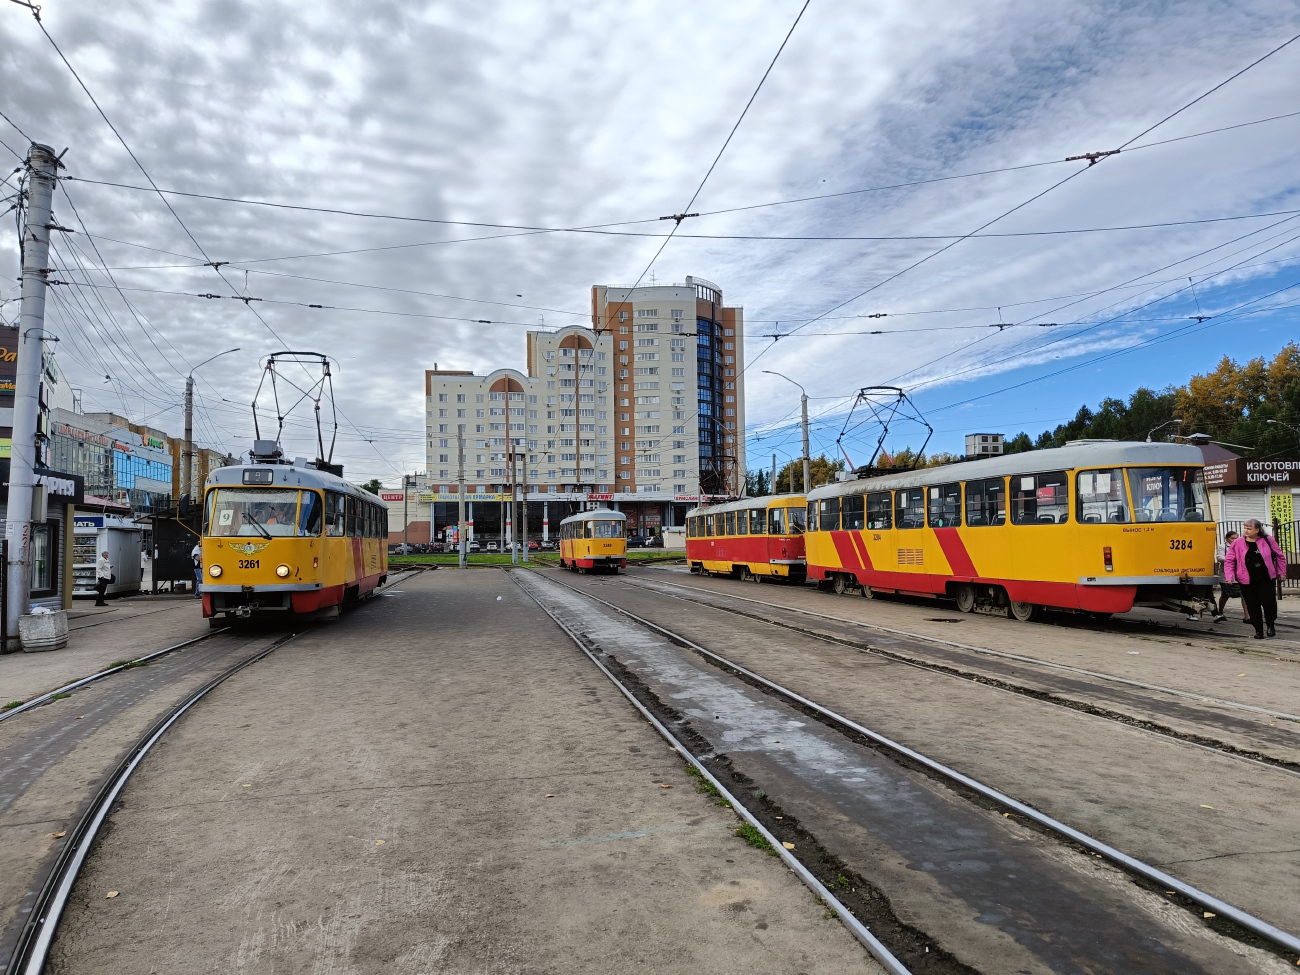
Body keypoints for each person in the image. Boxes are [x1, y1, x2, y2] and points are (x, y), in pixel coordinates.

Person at [1223, 519, 1287, 639]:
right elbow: (1229, 560)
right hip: (1246, 580)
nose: (1246, 531)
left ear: (1257, 530)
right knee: (1252, 605)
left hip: (1266, 578)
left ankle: (1270, 625)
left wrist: (1282, 572)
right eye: (1245, 528)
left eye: (1249, 528)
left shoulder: (1267, 540)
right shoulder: (1238, 543)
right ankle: (1258, 630)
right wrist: (1229, 576)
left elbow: (1279, 555)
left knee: (1268, 602)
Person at [1213, 530, 1241, 623]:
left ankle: (1247, 616)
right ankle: (1220, 612)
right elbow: (1220, 558)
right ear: (1227, 538)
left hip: (1239, 574)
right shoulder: (1222, 546)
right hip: (1225, 575)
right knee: (1225, 594)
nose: (1234, 540)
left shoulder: (1240, 546)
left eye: (1236, 538)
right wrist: (1232, 560)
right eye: (1232, 538)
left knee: (1243, 595)